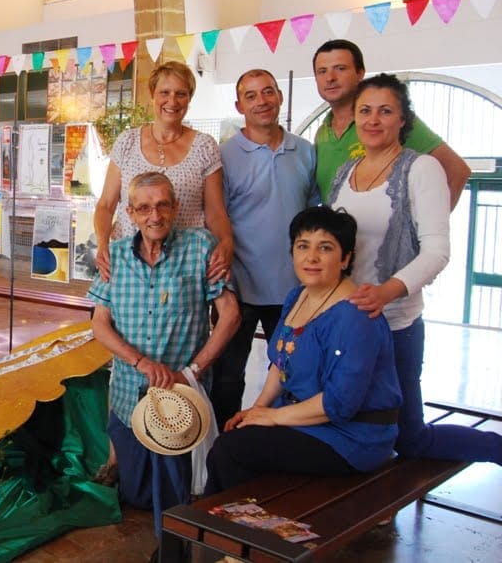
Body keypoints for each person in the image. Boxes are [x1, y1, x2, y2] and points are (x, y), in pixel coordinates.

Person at [328, 74, 502, 464]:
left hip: (395, 322)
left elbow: (438, 250)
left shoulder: (420, 169)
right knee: (352, 422)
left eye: (385, 111)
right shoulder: (345, 173)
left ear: (403, 119)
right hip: (350, 323)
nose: (374, 120)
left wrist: (387, 291)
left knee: (410, 438)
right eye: (365, 111)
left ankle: (495, 447)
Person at [88, 171, 239, 560]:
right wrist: (139, 361)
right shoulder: (115, 255)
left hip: (176, 399)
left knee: (172, 488)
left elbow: (230, 315)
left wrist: (192, 371)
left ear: (174, 208)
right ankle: (148, 502)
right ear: (131, 213)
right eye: (144, 207)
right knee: (136, 488)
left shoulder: (200, 246)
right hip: (127, 394)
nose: (154, 215)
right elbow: (99, 324)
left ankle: (172, 551)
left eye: (162, 205)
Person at [205, 206, 402, 493]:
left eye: (325, 248)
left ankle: (224, 532)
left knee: (230, 450)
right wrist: (258, 409)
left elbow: (339, 404)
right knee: (237, 434)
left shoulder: (356, 316)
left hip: (351, 436)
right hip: (303, 419)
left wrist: (272, 417)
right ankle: (233, 527)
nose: (311, 257)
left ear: (345, 258)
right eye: (302, 246)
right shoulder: (298, 295)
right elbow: (279, 362)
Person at [210, 69, 320, 430]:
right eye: (252, 95)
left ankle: (284, 442)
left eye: (268, 92)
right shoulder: (223, 156)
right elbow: (215, 218)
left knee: (292, 375)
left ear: (280, 98)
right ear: (239, 104)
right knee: (228, 377)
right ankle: (224, 448)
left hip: (292, 291)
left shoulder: (305, 152)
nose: (262, 101)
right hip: (238, 285)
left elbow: (312, 215)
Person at [94, 60, 233, 283]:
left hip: (183, 265)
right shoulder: (127, 142)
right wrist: (102, 245)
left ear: (189, 98)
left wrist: (226, 243)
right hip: (131, 263)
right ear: (153, 94)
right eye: (165, 92)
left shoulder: (204, 146)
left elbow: (215, 211)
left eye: (181, 94)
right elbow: (106, 204)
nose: (172, 101)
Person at [312, 39, 470, 207]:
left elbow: (457, 171)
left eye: (340, 68)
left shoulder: (390, 122)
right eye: (322, 71)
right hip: (336, 232)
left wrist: (424, 226)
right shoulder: (322, 132)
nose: (330, 78)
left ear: (360, 73)